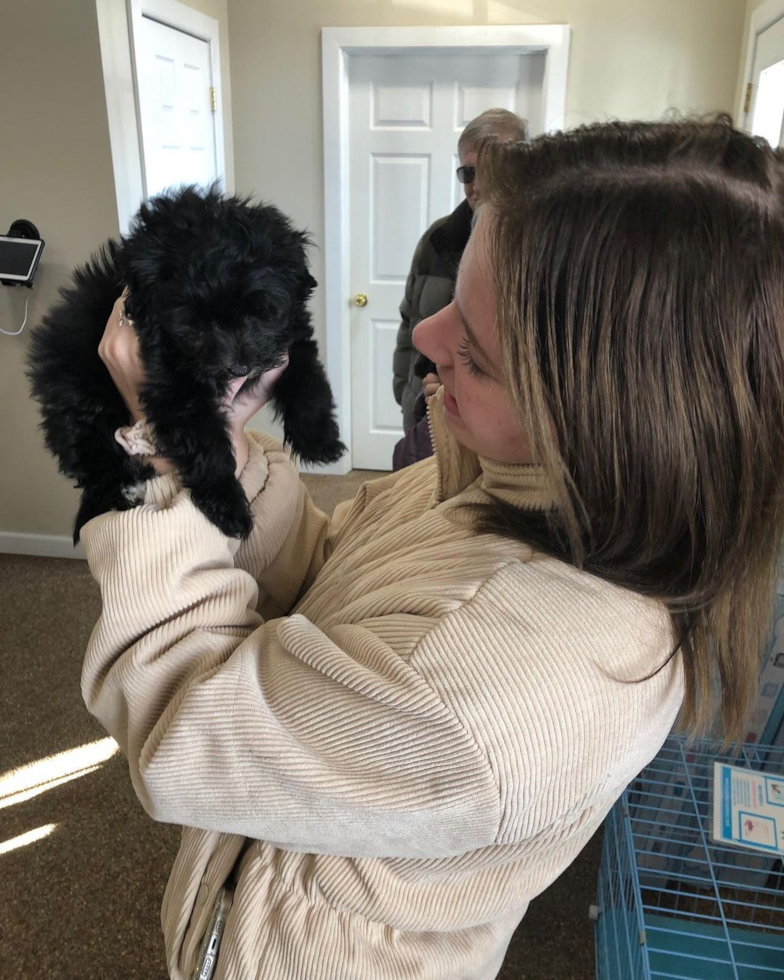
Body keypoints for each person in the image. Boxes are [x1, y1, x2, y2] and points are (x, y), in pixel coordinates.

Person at [83, 116, 784, 980]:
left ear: (607, 423)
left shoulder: (504, 689)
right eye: (453, 299)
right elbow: (332, 581)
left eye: (476, 354)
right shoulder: (504, 476)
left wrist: (170, 445)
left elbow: (181, 726)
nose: (424, 336)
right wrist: (225, 458)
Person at [392, 108, 529, 448]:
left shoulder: (543, 247)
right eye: (468, 173)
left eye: (493, 168)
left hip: (502, 438)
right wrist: (407, 391)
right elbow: (410, 320)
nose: (477, 185)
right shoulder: (436, 240)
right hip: (427, 416)